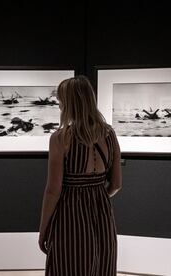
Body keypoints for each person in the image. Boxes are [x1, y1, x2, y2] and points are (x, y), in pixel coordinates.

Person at [38, 76, 122, 276]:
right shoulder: (109, 134)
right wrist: (96, 197)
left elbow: (53, 190)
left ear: (68, 103)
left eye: (61, 100)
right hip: (102, 216)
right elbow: (117, 184)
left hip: (70, 216)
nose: (59, 104)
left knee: (70, 266)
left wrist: (43, 230)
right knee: (102, 267)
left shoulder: (60, 138)